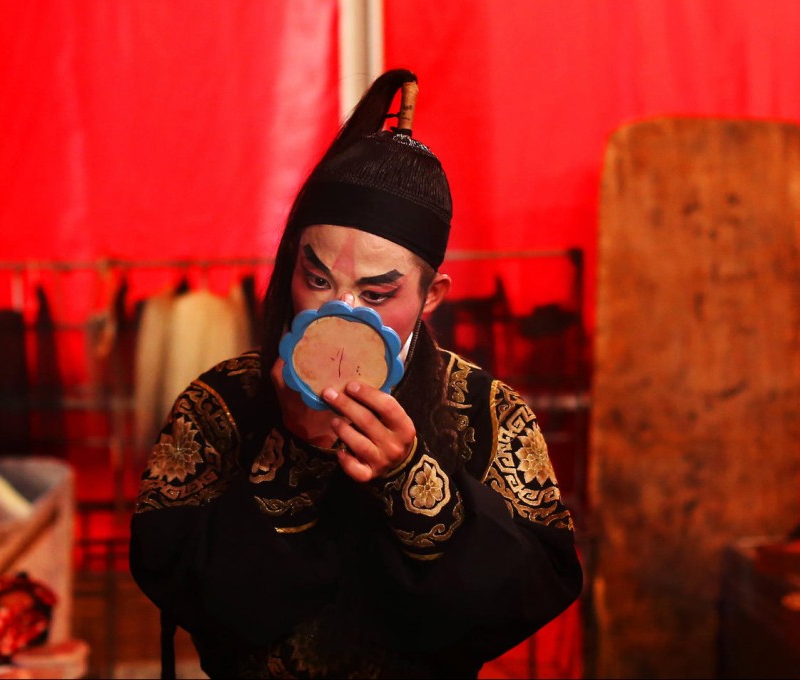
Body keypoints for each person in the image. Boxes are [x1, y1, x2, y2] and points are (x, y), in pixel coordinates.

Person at [129, 69, 583, 679]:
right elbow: (181, 582)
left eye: (377, 293)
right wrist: (293, 450)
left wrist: (410, 480)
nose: (339, 313)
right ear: (291, 266)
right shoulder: (222, 402)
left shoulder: (485, 408)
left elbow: (532, 587)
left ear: (430, 296)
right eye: (317, 280)